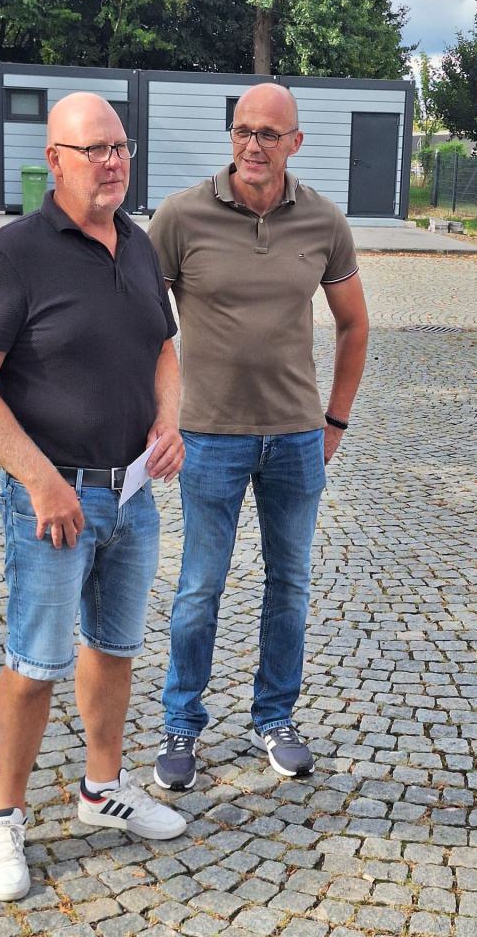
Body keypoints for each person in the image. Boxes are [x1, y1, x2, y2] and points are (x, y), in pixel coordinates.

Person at [0, 92, 187, 904]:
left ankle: (102, 789)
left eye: (121, 147)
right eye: (95, 150)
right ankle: (5, 818)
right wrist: (39, 479)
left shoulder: (139, 246)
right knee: (33, 663)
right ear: (54, 160)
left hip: (133, 495)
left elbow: (163, 350)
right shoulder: (12, 256)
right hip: (50, 504)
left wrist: (170, 420)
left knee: (114, 649)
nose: (113, 162)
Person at [148, 82, 369, 790]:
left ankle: (275, 717)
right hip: (208, 437)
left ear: (295, 143)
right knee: (199, 586)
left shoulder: (323, 222)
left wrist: (334, 419)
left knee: (290, 585)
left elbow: (355, 324)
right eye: (243, 130)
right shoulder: (181, 216)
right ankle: (181, 721)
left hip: (295, 438)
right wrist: (160, 415)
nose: (253, 145)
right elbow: (139, 321)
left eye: (269, 133)